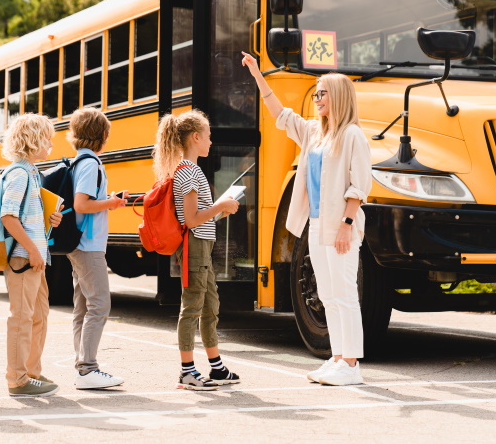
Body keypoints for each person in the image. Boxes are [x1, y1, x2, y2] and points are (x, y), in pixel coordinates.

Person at [241, 51, 372, 386]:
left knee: (344, 292)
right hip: (315, 224)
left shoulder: (353, 136)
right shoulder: (314, 133)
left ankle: (352, 364)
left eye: (321, 93)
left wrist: (345, 225)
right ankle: (337, 357)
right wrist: (258, 76)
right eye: (315, 94)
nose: (316, 99)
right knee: (327, 294)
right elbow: (280, 114)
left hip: (340, 224)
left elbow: (360, 185)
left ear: (339, 96)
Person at [152, 109, 241, 391]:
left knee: (209, 305)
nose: (211, 142)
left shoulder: (189, 170)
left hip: (202, 246)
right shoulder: (188, 172)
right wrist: (220, 206)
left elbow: (196, 215)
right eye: (209, 137)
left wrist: (218, 211)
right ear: (196, 137)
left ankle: (215, 366)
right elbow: (190, 220)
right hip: (195, 248)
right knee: (192, 307)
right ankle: (187, 372)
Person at [0, 113, 63, 397]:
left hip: (34, 257)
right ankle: (17, 379)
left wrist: (48, 218)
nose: (50, 144)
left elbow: (23, 215)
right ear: (32, 140)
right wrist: (34, 249)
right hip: (25, 257)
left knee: (38, 315)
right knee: (22, 318)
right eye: (46, 139)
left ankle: (31, 372)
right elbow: (8, 216)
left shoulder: (32, 173)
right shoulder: (19, 173)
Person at [66, 107, 126, 390]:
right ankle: (87, 369)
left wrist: (108, 200)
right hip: (88, 246)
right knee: (100, 304)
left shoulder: (80, 161)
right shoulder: (90, 164)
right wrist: (111, 203)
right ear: (103, 135)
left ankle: (83, 366)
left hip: (80, 244)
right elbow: (82, 204)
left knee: (83, 308)